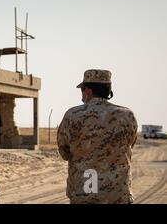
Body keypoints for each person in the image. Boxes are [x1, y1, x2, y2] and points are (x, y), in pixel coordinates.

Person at [57, 69, 138, 204]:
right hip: (117, 193)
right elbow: (130, 145)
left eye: (82, 90)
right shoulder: (127, 115)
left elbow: (64, 152)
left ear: (88, 91)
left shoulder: (73, 115)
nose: (82, 95)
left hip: (85, 192)